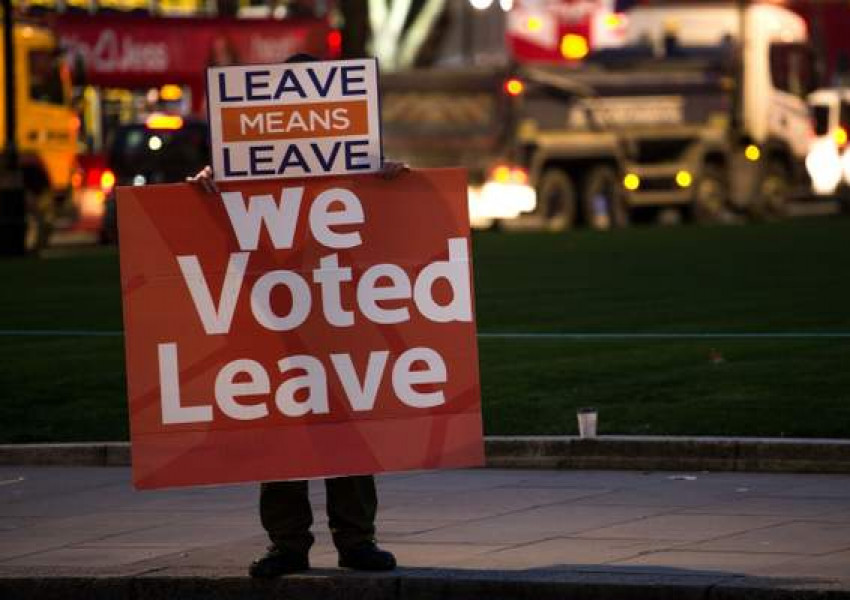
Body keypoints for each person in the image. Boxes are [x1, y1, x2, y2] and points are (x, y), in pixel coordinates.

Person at [188, 54, 406, 577]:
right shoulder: (243, 167)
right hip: (275, 313)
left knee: (343, 426)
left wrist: (393, 181)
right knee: (281, 429)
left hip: (337, 310)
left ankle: (353, 541)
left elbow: (376, 215)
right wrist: (209, 187)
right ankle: (290, 544)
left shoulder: (356, 162)